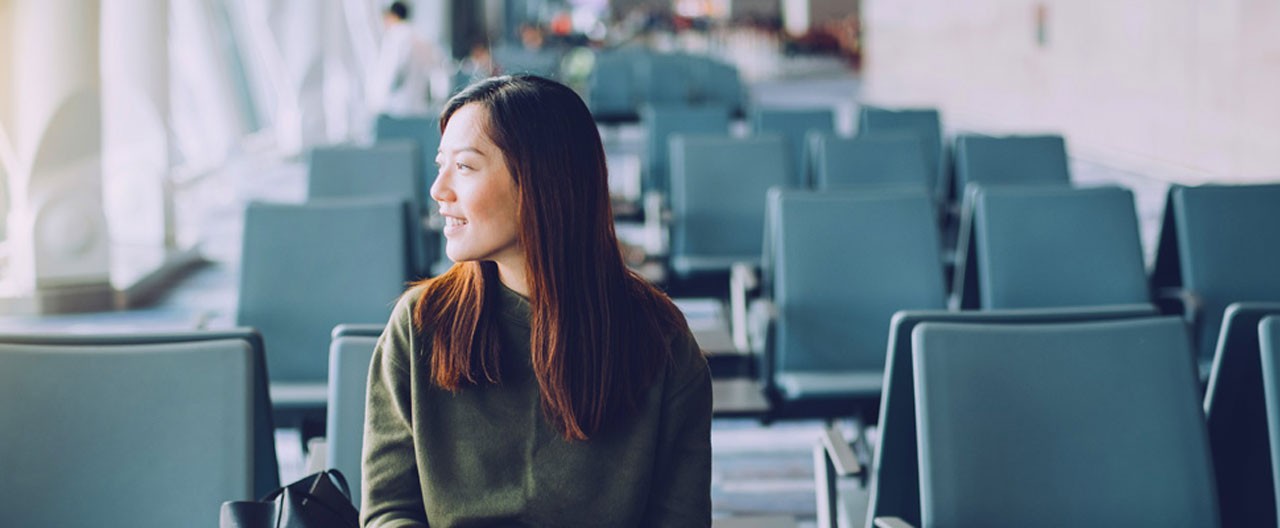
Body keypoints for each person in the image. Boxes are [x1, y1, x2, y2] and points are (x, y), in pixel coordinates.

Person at [361, 75, 713, 527]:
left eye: (464, 167)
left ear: (539, 182)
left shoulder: (660, 340)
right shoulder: (422, 324)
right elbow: (389, 512)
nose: (438, 190)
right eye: (440, 165)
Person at [367, 1, 439, 116]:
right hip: (420, 107)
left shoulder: (396, 37)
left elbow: (392, 74)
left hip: (398, 107)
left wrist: (377, 102)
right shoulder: (421, 38)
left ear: (392, 15)